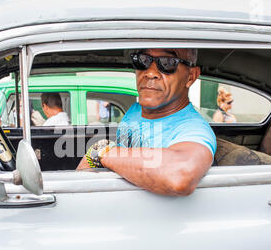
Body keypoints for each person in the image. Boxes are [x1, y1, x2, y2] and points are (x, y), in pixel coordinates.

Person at [77, 48, 217, 196]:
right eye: (143, 60)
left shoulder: (194, 129)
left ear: (191, 76)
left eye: (167, 63)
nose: (150, 73)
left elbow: (179, 175)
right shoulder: (136, 111)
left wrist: (102, 151)